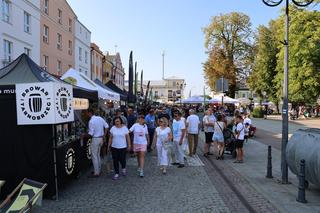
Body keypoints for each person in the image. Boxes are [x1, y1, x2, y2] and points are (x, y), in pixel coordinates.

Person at [86, 108, 109, 178]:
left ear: (90, 113)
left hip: (95, 139)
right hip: (101, 138)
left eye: (87, 113)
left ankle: (96, 172)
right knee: (98, 154)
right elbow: (107, 126)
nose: (86, 114)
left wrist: (84, 135)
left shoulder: (91, 121)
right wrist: (104, 136)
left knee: (94, 156)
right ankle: (98, 169)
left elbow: (91, 134)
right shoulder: (99, 118)